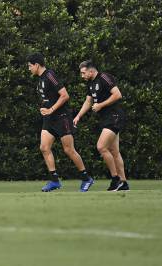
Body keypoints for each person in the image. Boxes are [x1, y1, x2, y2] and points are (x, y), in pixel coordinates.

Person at [27, 53, 94, 192]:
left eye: (30, 66)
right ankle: (54, 180)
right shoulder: (40, 80)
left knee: (69, 150)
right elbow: (48, 98)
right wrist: (44, 109)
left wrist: (51, 109)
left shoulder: (50, 75)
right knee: (44, 148)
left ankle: (86, 178)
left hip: (62, 117)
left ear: (37, 65)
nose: (29, 69)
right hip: (49, 119)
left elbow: (65, 95)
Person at [74, 60, 129, 191]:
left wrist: (101, 105)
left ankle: (115, 180)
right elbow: (88, 101)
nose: (82, 76)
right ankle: (124, 183)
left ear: (91, 70)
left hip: (114, 116)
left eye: (83, 73)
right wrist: (78, 116)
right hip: (107, 118)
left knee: (101, 146)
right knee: (115, 152)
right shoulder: (91, 83)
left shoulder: (104, 77)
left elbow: (118, 94)